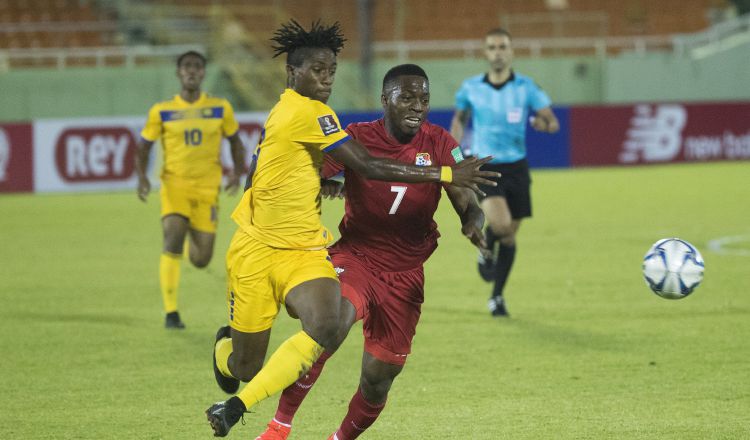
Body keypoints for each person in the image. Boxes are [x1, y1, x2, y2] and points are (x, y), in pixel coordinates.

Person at [205, 21, 500, 438]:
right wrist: (445, 173)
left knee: (378, 380)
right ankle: (277, 424)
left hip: (405, 274)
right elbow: (358, 164)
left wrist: (474, 222)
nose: (418, 105)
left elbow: (466, 203)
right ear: (385, 100)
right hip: (354, 255)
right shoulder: (351, 133)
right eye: (407, 97)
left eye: (425, 98)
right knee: (327, 330)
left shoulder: (440, 141)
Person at [450, 27, 559, 317]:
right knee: (500, 225)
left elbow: (552, 122)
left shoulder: (526, 87)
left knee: (509, 235)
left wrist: (542, 124)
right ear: (486, 53)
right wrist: (456, 155)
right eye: (492, 47)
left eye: (502, 47)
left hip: (518, 168)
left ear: (511, 52)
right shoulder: (471, 88)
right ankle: (486, 239)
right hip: (486, 165)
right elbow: (459, 121)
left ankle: (497, 297)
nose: (498, 52)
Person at [135, 50, 246, 329]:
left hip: (207, 189)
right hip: (174, 185)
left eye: (197, 66)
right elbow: (143, 147)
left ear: (203, 72)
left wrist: (237, 170)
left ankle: (187, 238)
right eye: (186, 66)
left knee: (201, 258)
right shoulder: (162, 110)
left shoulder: (221, 108)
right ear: (178, 72)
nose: (192, 71)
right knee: (172, 235)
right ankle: (171, 312)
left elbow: (235, 142)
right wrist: (142, 177)